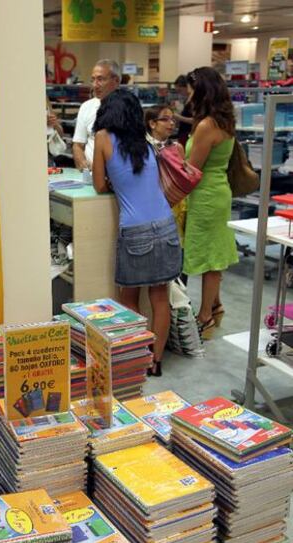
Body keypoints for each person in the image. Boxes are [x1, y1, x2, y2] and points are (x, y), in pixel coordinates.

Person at [93, 89, 182, 377]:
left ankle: (136, 358)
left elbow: (98, 185)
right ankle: (155, 361)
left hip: (135, 230)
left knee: (129, 299)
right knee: (160, 298)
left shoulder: (103, 138)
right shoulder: (145, 143)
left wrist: (112, 179)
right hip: (166, 225)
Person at [184, 66, 239, 339]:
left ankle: (204, 317)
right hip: (218, 192)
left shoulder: (206, 126)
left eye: (191, 90)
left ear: (202, 91)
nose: (188, 96)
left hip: (205, 196)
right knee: (215, 255)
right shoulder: (225, 121)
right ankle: (215, 307)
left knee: (207, 259)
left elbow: (191, 170)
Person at [144, 105, 187, 247]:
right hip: (149, 205)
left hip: (174, 205)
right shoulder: (141, 148)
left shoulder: (177, 148)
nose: (172, 123)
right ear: (152, 123)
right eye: (165, 119)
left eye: (173, 119)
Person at [72, 59, 120, 170]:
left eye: (100, 79)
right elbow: (78, 145)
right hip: (92, 175)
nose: (95, 85)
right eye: (93, 80)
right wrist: (83, 164)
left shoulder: (129, 107)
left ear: (116, 81)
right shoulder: (86, 107)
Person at [173, 75, 194, 148]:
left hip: (188, 134)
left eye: (180, 90)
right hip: (184, 133)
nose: (179, 93)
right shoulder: (188, 99)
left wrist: (179, 117)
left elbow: (196, 120)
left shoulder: (193, 100)